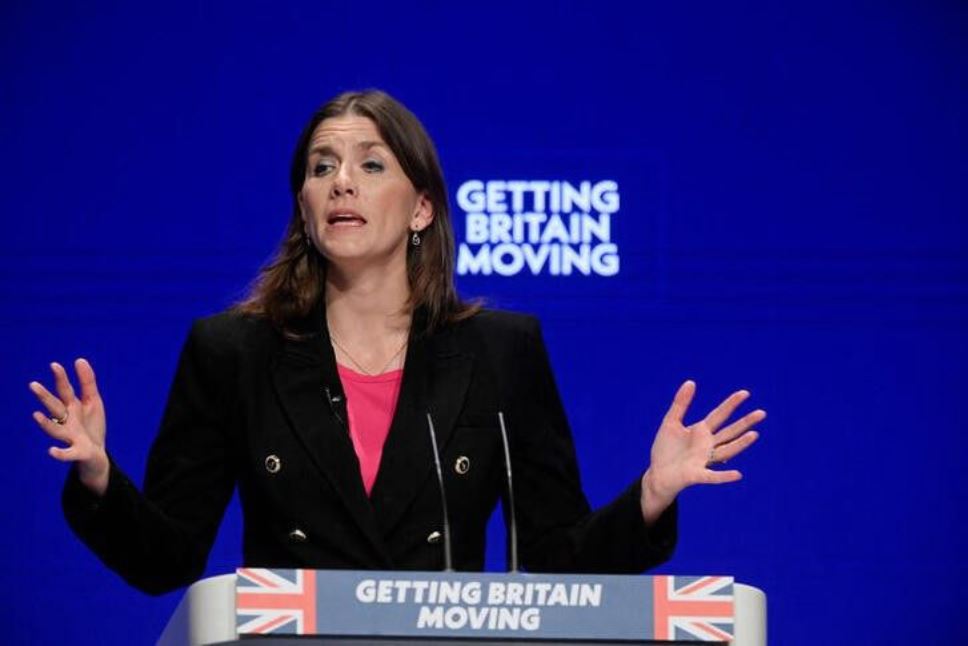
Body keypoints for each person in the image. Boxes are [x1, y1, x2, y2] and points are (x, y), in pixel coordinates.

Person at [29, 90, 764, 595]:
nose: (341, 182)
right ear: (306, 206)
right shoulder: (233, 352)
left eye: (369, 164)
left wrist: (651, 496)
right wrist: (98, 478)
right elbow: (166, 559)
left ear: (420, 209)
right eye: (322, 168)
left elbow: (555, 557)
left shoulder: (501, 351)